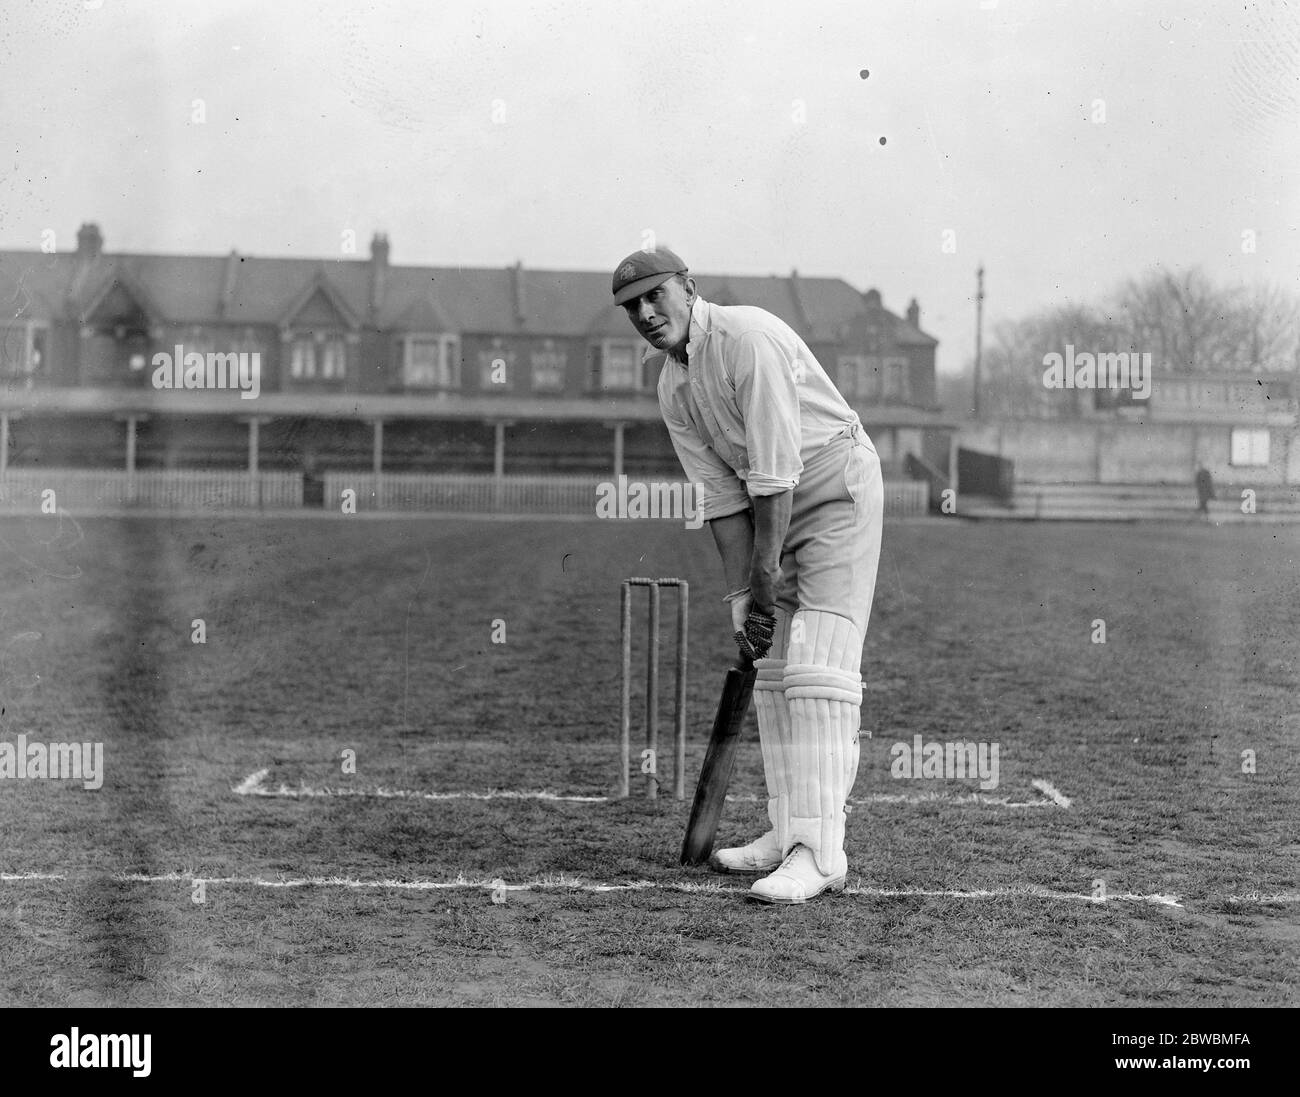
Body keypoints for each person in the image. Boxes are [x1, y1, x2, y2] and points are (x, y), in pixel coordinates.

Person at [611, 246, 885, 904]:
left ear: (689, 289)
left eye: (656, 296)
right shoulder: (672, 385)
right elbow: (723, 499)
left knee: (818, 670)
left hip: (832, 488)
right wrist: (743, 599)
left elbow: (773, 476)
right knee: (774, 671)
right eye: (632, 306)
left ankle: (820, 853)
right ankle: (789, 829)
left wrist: (764, 581)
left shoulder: (748, 339)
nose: (646, 313)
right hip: (771, 503)